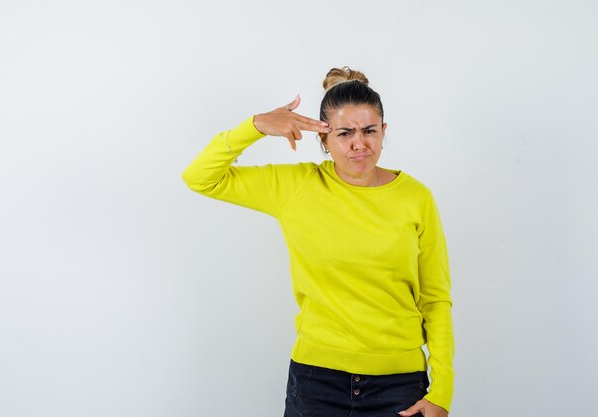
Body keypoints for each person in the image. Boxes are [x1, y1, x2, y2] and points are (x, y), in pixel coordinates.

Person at [182, 67, 454, 417]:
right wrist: (255, 126)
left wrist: (442, 391)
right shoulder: (296, 187)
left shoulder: (417, 198)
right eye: (344, 133)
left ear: (384, 132)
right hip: (316, 383)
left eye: (369, 130)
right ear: (324, 140)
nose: (360, 143)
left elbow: (435, 298)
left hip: (400, 387)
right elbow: (200, 178)